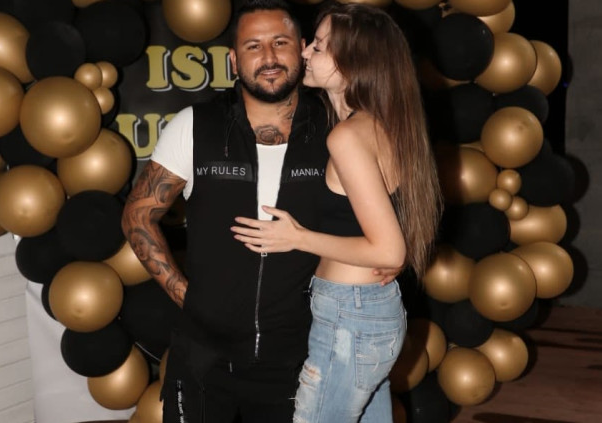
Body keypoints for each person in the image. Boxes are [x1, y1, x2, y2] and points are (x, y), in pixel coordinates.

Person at [230, 3, 443, 422]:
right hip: (366, 311)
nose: (306, 51)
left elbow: (389, 251)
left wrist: (296, 238)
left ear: (353, 62)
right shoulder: (380, 124)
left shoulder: (348, 136)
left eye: (321, 46)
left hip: (352, 318)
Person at [121, 1, 331, 421]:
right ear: (234, 60)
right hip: (203, 359)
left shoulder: (334, 129)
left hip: (299, 359)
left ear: (303, 49)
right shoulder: (195, 125)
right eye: (253, 46)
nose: (269, 57)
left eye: (280, 42)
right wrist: (188, 297)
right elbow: (137, 216)